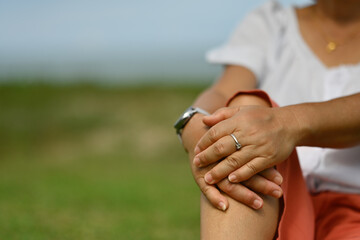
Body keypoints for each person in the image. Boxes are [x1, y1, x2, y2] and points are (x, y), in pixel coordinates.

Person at [173, 0, 360, 239]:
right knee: (245, 113)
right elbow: (223, 91)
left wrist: (289, 124)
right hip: (275, 202)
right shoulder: (272, 22)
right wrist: (194, 122)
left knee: (251, 128)